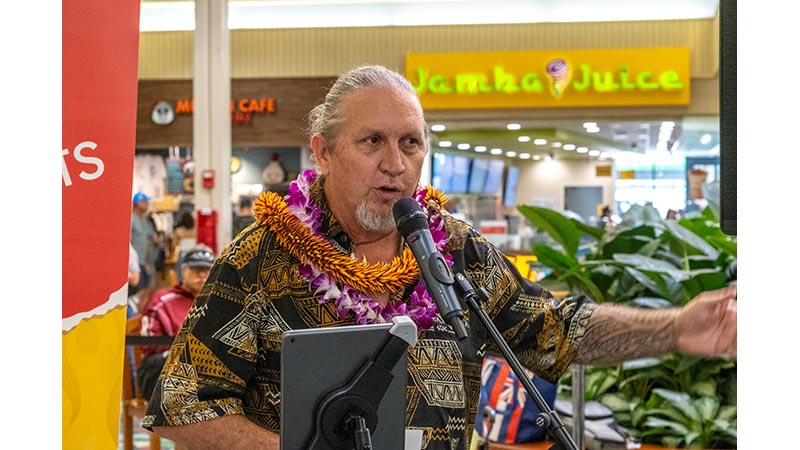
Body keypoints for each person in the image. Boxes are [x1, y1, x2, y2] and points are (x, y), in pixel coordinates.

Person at [143, 65, 736, 450]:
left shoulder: (451, 247)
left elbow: (553, 330)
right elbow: (181, 406)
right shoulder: (262, 257)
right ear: (323, 151)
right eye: (372, 141)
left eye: (411, 142)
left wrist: (678, 327)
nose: (396, 163)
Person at [136, 245, 216, 400]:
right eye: (195, 269)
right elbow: (149, 344)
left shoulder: (219, 302)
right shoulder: (162, 300)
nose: (201, 274)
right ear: (183, 271)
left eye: (206, 269)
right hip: (161, 368)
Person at [130, 191, 157, 292]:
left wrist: (147, 261)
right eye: (144, 202)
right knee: (137, 292)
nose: (146, 204)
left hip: (144, 261)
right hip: (134, 262)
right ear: (137, 203)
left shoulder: (145, 221)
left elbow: (150, 239)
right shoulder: (131, 219)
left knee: (147, 289)